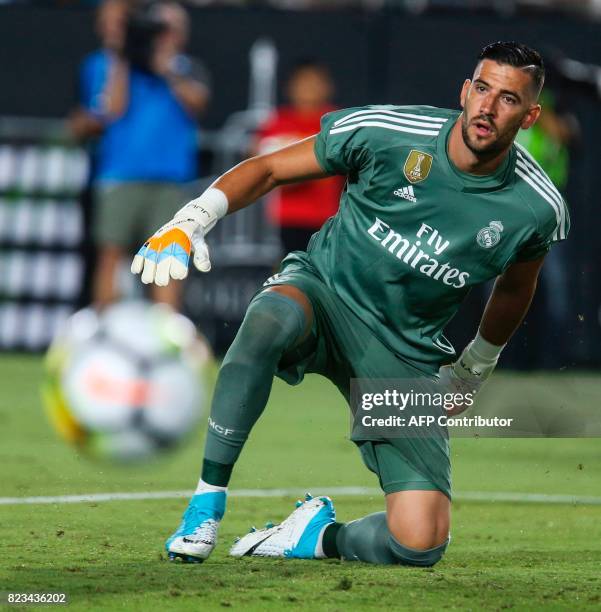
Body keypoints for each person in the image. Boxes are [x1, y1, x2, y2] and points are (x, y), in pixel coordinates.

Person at [131, 41, 569, 566]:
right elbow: (269, 169)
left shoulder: (536, 205)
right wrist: (192, 220)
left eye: (508, 99)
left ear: (530, 116)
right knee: (267, 319)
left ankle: (314, 536)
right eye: (481, 89)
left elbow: (517, 288)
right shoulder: (389, 131)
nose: (487, 108)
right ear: (464, 90)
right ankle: (206, 504)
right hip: (324, 292)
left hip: (402, 351)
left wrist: (475, 367)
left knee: (419, 542)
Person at [71, 0, 210, 309]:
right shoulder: (108, 65)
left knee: (169, 258)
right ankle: (103, 334)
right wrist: (123, 58)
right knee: (111, 254)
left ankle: (167, 333)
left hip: (170, 178)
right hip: (120, 174)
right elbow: (112, 110)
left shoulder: (187, 67)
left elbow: (199, 103)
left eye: (171, 29)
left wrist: (167, 70)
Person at [254, 61, 344, 255]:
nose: (309, 89)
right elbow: (259, 160)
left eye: (315, 83)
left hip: (326, 216)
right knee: (290, 269)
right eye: (303, 83)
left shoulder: (336, 121)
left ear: (327, 87)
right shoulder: (279, 121)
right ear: (290, 87)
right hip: (288, 217)